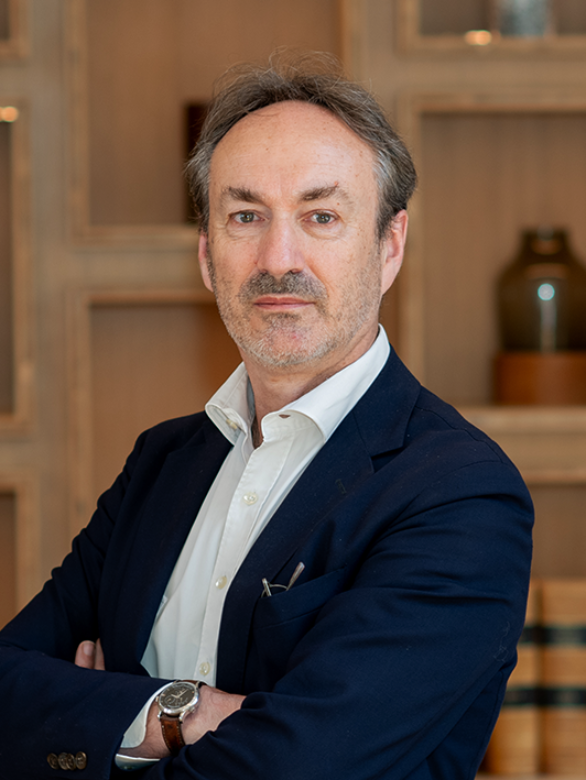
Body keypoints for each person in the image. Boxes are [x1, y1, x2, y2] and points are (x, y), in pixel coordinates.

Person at [0, 55, 533, 780]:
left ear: (390, 246)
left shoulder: (459, 493)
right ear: (206, 254)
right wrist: (180, 714)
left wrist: (96, 721)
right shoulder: (162, 462)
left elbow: (297, 767)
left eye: (321, 216)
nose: (278, 259)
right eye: (245, 216)